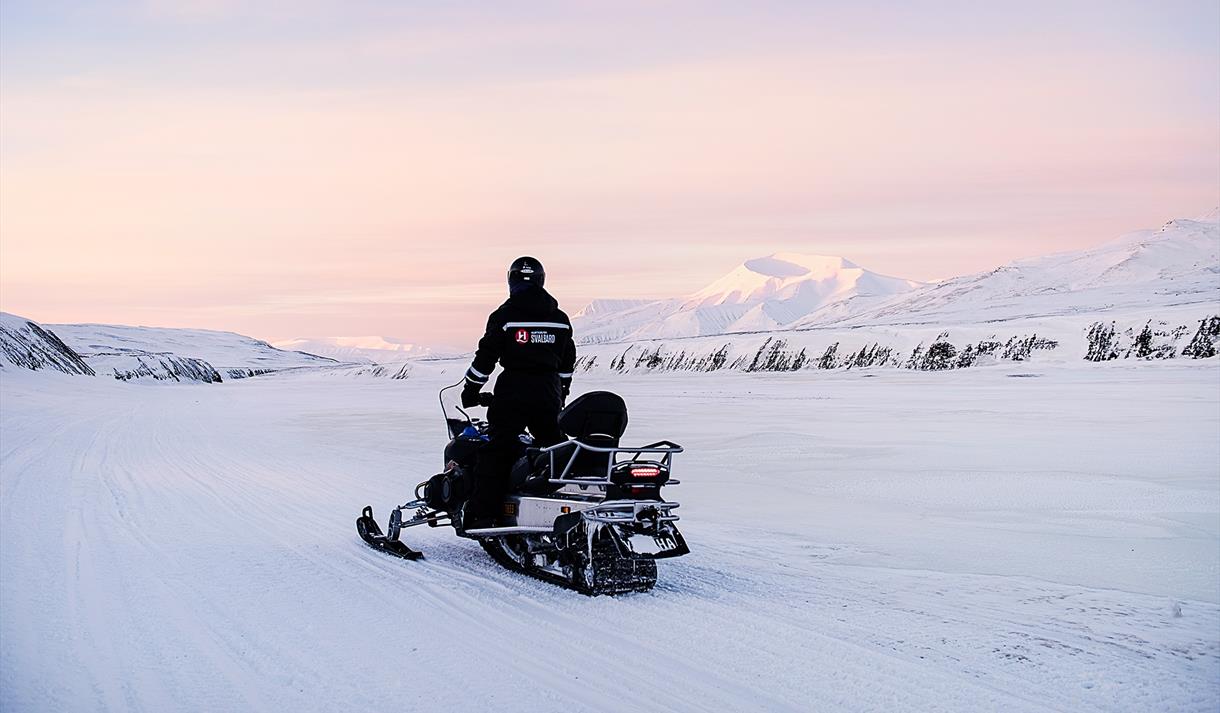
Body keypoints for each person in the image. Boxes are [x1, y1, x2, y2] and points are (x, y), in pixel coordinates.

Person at [460, 256, 576, 528]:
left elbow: (486, 357)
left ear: (511, 281)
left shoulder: (505, 316)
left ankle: (483, 516)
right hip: (548, 391)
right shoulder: (559, 319)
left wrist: (471, 389)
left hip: (513, 388)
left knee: (498, 449)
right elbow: (567, 360)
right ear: (541, 280)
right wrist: (561, 391)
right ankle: (560, 498)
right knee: (553, 444)